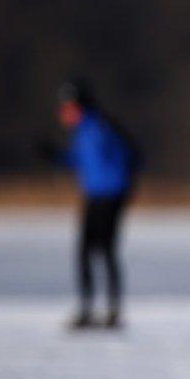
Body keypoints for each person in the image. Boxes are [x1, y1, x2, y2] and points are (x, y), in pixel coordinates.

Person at [38, 79, 138, 329]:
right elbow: (82, 161)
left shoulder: (99, 127)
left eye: (68, 107)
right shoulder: (84, 129)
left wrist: (121, 189)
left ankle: (112, 311)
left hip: (110, 196)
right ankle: (88, 308)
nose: (63, 113)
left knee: (104, 250)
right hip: (95, 196)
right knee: (86, 251)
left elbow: (127, 157)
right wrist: (55, 156)